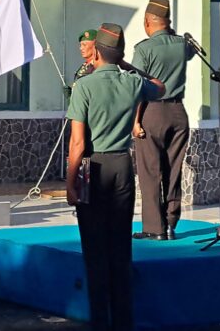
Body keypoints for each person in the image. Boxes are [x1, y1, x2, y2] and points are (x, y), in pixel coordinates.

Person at [66, 23, 166, 331]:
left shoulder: (84, 86)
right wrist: (123, 62)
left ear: (95, 52)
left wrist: (70, 182)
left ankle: (100, 321)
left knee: (95, 249)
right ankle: (123, 321)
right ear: (119, 54)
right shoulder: (132, 83)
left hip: (92, 168)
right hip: (123, 165)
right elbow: (160, 87)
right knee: (120, 247)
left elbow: (78, 142)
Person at [131, 0, 194, 241]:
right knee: (173, 170)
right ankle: (170, 223)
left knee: (150, 172)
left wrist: (135, 122)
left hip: (152, 111)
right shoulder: (181, 44)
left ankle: (153, 228)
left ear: (148, 21)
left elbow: (138, 86)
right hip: (178, 112)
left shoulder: (144, 48)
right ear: (167, 21)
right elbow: (188, 52)